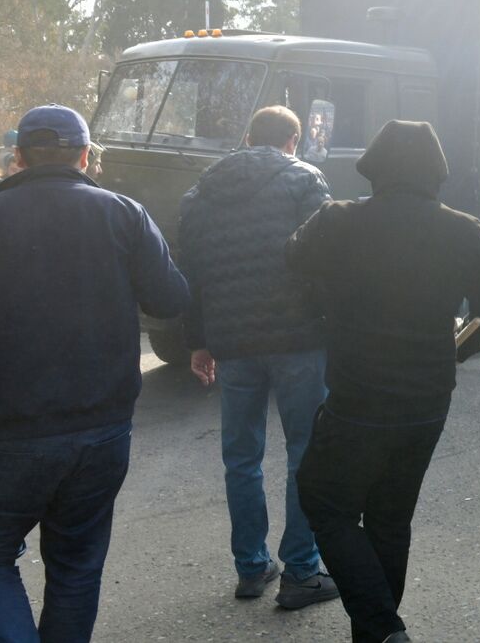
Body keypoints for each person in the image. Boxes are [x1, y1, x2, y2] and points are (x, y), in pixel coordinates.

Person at [0, 104, 188, 642]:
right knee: (76, 566)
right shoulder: (124, 214)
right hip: (102, 429)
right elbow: (171, 298)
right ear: (85, 157)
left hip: (6, 432)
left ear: (16, 157)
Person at [286, 120, 480, 643]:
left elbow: (292, 256)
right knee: (390, 517)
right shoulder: (464, 229)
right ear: (437, 172)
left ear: (373, 169)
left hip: (357, 399)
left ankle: (384, 628)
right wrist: (452, 352)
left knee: (322, 501)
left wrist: (324, 305)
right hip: (428, 401)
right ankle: (376, 634)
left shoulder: (339, 219)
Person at [178, 106, 339, 608]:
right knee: (305, 451)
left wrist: (198, 341)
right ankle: (301, 572)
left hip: (232, 342)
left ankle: (251, 567)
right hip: (299, 339)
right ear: (293, 140)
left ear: (248, 138)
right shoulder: (304, 179)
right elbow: (329, 253)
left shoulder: (201, 192)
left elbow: (190, 273)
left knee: (241, 456)